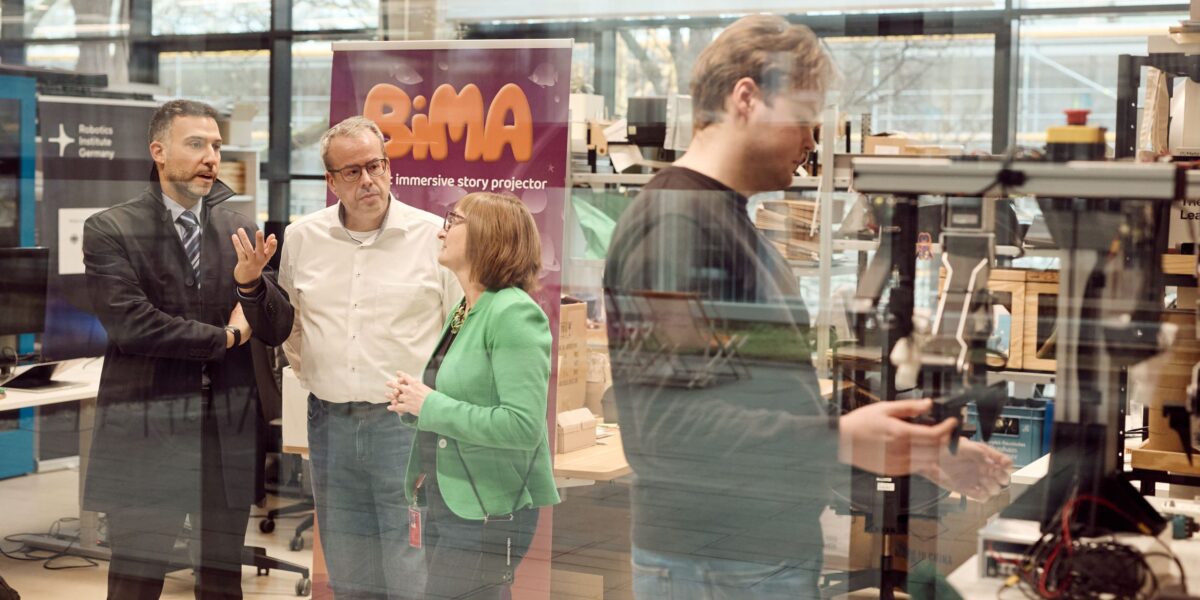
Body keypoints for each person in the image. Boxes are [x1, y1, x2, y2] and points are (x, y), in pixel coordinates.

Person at [602, 15, 1012, 599]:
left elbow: (758, 404)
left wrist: (909, 452)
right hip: (714, 565)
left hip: (754, 556)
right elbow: (667, 433)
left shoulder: (728, 222)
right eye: (805, 116)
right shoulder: (676, 225)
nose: (813, 141)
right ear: (747, 98)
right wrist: (841, 438)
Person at [82, 98, 294, 599]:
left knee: (222, 580)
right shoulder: (111, 228)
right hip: (148, 427)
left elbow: (278, 325)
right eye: (195, 144)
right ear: (158, 150)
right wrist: (226, 337)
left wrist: (251, 289)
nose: (211, 158)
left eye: (216, 146)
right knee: (137, 577)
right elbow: (135, 326)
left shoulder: (238, 227)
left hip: (227, 428)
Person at [278, 116, 461, 599]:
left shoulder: (432, 237)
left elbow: (457, 334)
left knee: (411, 566)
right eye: (352, 172)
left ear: (389, 167)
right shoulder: (302, 239)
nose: (368, 181)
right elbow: (291, 327)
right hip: (330, 423)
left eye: (376, 166)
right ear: (331, 180)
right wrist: (320, 376)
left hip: (404, 428)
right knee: (348, 565)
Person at [385, 192, 560, 600]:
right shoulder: (466, 309)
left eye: (454, 220)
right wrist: (415, 403)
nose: (441, 229)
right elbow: (458, 396)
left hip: (488, 505)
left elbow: (522, 425)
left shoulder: (514, 313)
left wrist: (430, 405)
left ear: (487, 236)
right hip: (455, 499)